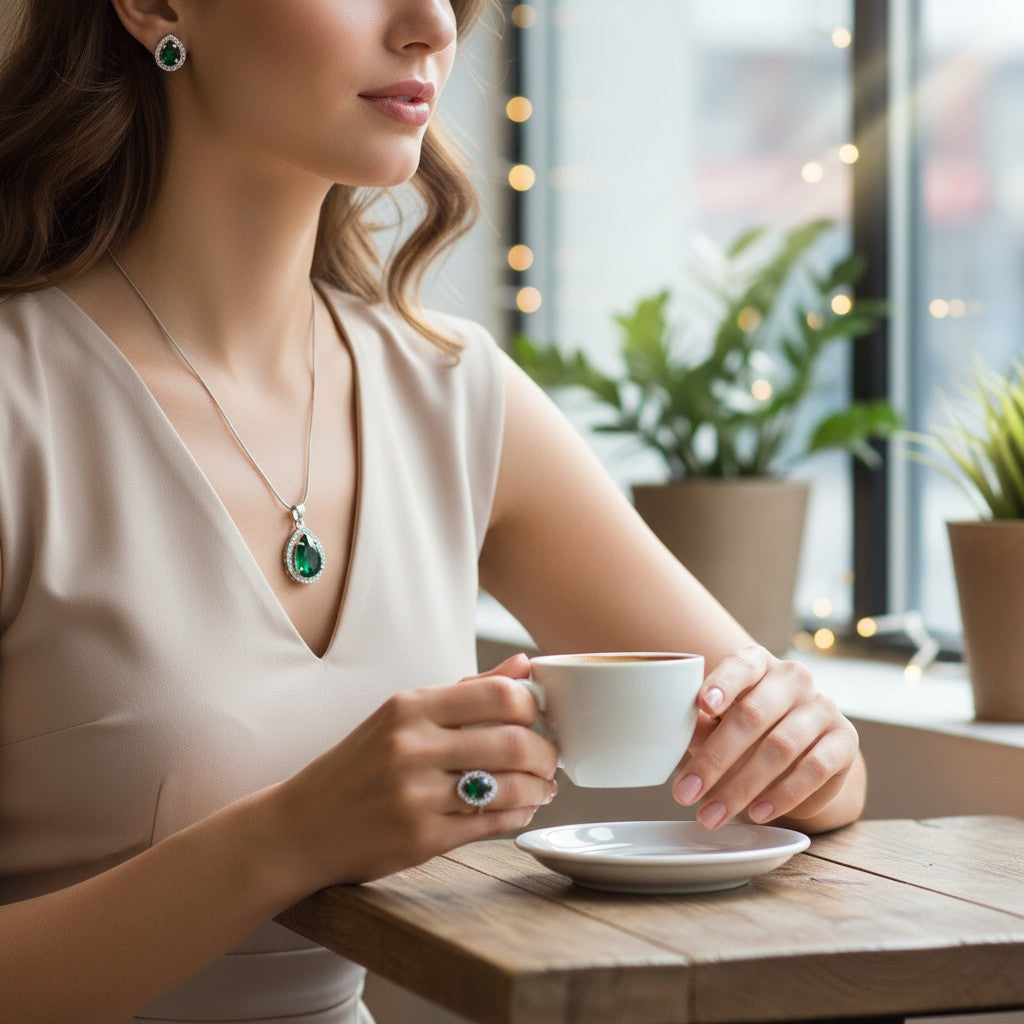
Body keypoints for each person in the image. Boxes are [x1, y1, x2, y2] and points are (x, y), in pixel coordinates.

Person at [0, 2, 867, 1022]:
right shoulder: (22, 404)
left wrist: (810, 746)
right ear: (157, 7)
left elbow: (795, 772)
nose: (429, 25)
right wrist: (295, 834)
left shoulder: (455, 394)